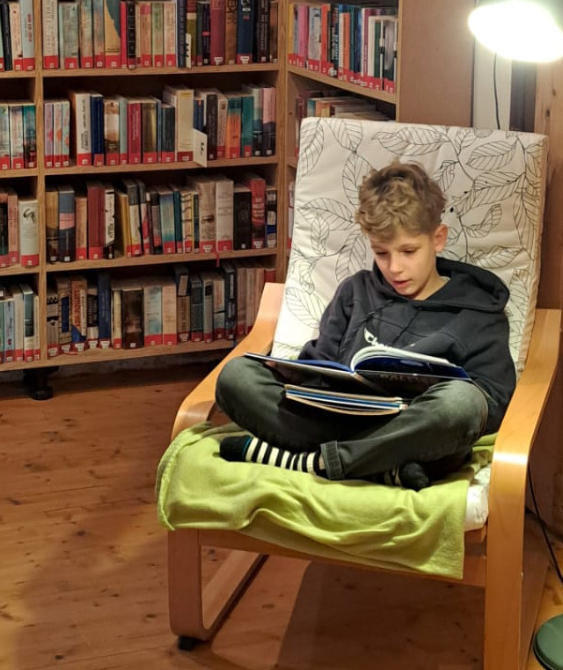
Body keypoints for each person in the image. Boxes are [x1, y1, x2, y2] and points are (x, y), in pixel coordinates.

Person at [216, 160, 515, 490]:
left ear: (438, 238)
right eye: (381, 253)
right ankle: (378, 468)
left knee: (462, 403)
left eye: (408, 251)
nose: (395, 267)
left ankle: (312, 462)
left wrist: (429, 405)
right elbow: (319, 371)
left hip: (411, 432)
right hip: (336, 424)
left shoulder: (478, 311)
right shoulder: (355, 291)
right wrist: (291, 374)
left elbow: (493, 403)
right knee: (236, 376)